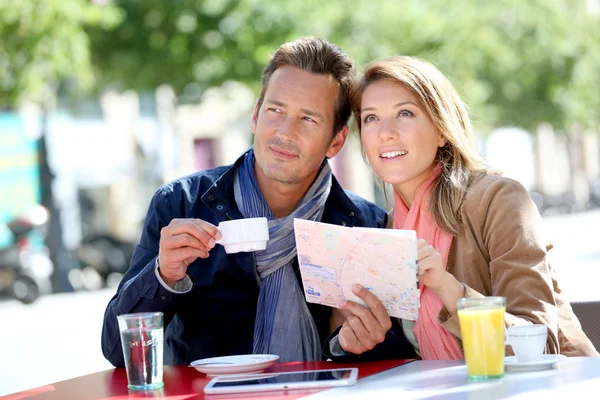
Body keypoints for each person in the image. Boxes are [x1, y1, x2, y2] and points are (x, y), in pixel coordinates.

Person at [101, 37, 415, 367]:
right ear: (255, 116)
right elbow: (116, 350)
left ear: (336, 140)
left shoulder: (366, 225)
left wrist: (346, 345)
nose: (285, 132)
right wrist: (163, 276)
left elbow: (395, 357)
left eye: (308, 119)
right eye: (275, 111)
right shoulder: (180, 204)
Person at [349, 55, 598, 359]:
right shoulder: (389, 229)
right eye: (371, 118)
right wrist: (354, 336)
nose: (385, 132)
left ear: (442, 131)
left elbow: (539, 344)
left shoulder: (499, 201)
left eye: (405, 113)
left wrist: (449, 289)